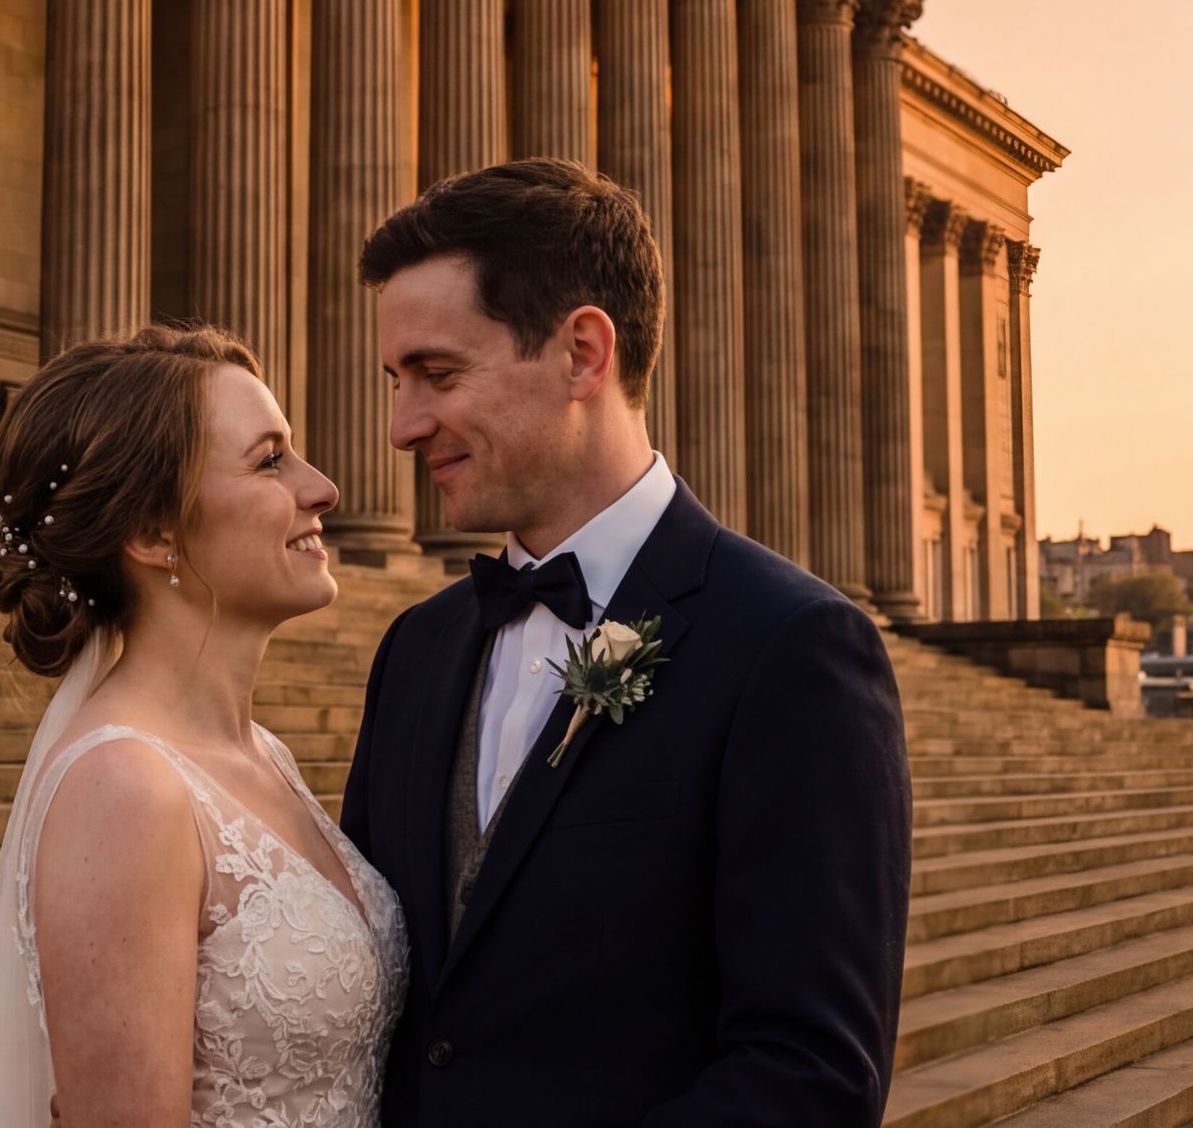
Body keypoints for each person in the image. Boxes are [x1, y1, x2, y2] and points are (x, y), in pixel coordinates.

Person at [341, 158, 912, 1126]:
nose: (401, 427)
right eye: (397, 380)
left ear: (583, 354)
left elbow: (810, 1074)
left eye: (437, 374)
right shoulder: (417, 648)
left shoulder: (793, 648)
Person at [0, 324, 408, 1128]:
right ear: (155, 534)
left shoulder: (265, 755)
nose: (324, 486)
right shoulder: (125, 789)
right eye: (270, 460)